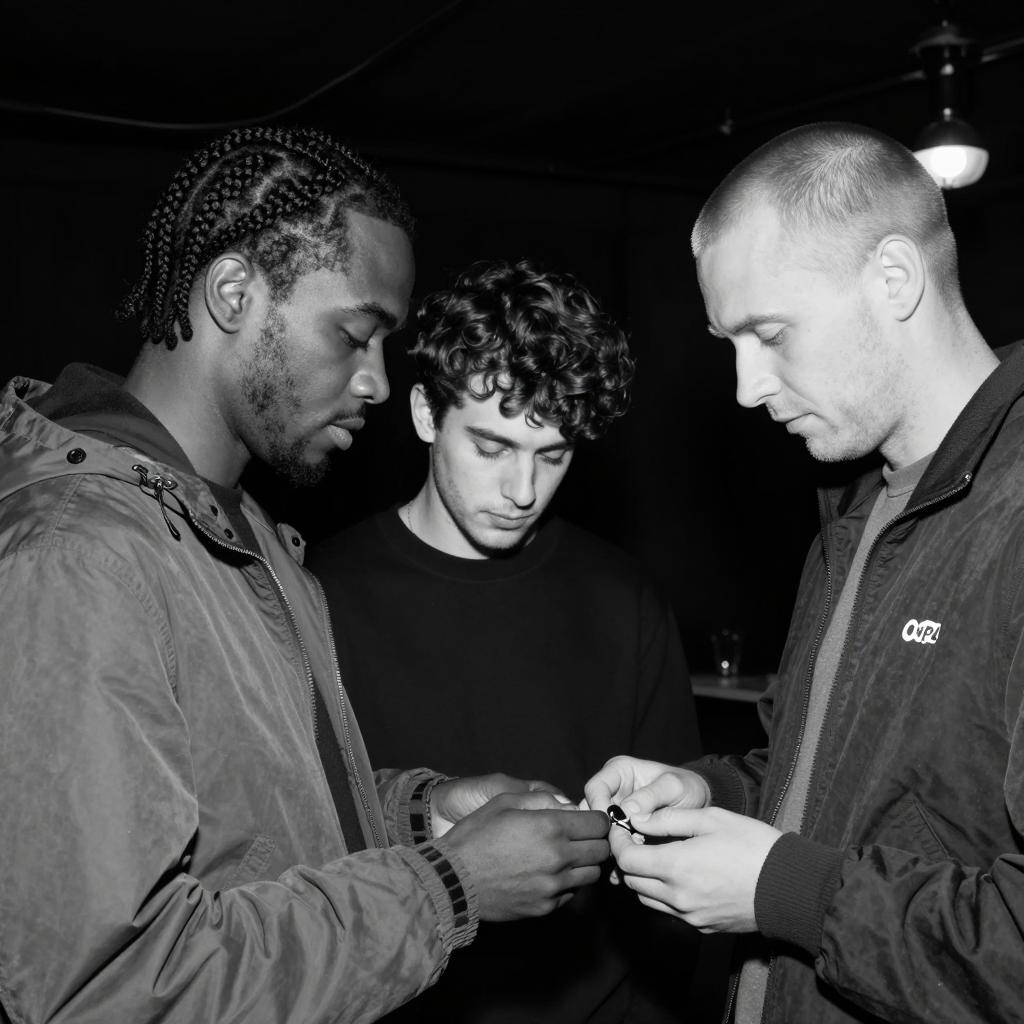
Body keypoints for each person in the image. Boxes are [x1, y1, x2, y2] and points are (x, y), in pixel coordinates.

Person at [0, 126, 612, 1024]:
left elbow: (254, 831)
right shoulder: (80, 558)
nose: (376, 383)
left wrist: (425, 818)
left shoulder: (237, 527)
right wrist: (448, 885)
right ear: (235, 294)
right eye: (355, 336)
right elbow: (107, 990)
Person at [585, 121, 1024, 1024]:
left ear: (894, 279)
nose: (747, 387)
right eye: (730, 342)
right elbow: (823, 775)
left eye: (770, 333)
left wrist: (783, 891)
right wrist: (707, 794)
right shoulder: (853, 510)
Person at [308, 257, 703, 1023]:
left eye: (552, 455)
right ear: (425, 415)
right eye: (491, 448)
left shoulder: (622, 597)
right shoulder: (315, 595)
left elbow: (675, 865)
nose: (522, 492)